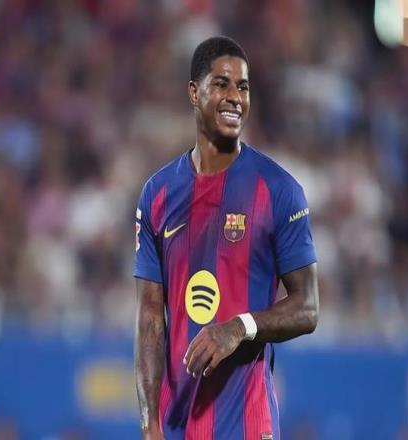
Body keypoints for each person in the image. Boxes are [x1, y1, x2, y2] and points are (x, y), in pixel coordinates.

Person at [134, 36, 319, 440]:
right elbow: (150, 320)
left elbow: (307, 307)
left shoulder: (279, 190)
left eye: (243, 87)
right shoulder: (157, 194)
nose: (235, 96)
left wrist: (239, 327)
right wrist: (150, 425)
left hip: (248, 425)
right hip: (176, 427)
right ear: (193, 92)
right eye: (221, 83)